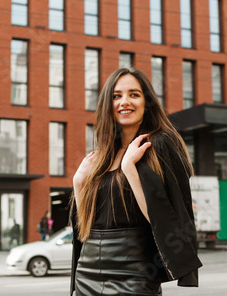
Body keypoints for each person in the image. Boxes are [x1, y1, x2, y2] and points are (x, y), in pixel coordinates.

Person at [70, 68, 202, 295]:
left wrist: (130, 170)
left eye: (134, 94)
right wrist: (79, 183)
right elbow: (85, 226)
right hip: (88, 272)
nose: (124, 102)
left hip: (135, 273)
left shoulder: (161, 144)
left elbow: (164, 220)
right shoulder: (102, 155)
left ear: (147, 101)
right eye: (116, 96)